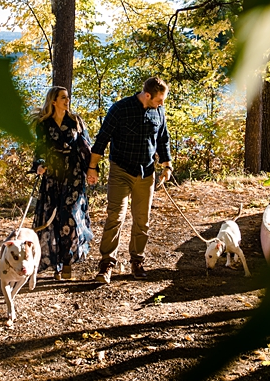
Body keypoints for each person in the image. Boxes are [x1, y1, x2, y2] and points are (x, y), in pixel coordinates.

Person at [87, 76, 172, 283]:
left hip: (146, 173)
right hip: (121, 171)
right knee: (115, 217)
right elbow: (102, 139)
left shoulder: (158, 111)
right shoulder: (120, 109)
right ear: (147, 95)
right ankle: (107, 263)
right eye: (159, 100)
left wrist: (167, 165)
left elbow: (163, 139)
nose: (162, 104)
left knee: (142, 220)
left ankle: (137, 260)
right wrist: (92, 167)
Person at [31, 86, 94, 281]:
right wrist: (39, 165)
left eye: (68, 97)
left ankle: (67, 261)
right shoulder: (43, 124)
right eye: (63, 98)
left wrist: (92, 170)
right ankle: (56, 265)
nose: (67, 101)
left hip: (74, 175)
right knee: (52, 219)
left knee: (70, 217)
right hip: (52, 176)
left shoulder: (75, 121)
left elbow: (85, 147)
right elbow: (40, 150)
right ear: (53, 101)